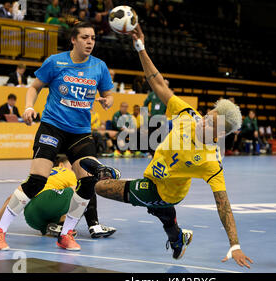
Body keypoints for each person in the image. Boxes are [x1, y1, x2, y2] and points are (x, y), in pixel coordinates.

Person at [78, 25, 253, 268]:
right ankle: (178, 238)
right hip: (156, 173)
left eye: (210, 122)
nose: (203, 120)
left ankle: (108, 173)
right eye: (207, 114)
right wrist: (140, 48)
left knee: (100, 187)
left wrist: (235, 245)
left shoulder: (211, 162)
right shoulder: (187, 114)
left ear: (221, 132)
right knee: (162, 216)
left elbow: (223, 205)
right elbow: (158, 82)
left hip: (163, 191)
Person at [0, 22, 115, 251]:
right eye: (85, 37)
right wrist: (28, 107)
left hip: (80, 132)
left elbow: (108, 93)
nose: (90, 42)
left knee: (87, 183)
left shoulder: (99, 67)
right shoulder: (55, 62)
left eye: (93, 38)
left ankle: (66, 233)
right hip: (52, 126)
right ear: (74, 40)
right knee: (37, 180)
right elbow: (34, 87)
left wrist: (108, 100)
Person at [0, 155, 117, 239]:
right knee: (86, 185)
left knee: (70, 201)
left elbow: (10, 198)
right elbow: (84, 195)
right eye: (72, 166)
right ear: (61, 165)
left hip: (31, 216)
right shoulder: (65, 172)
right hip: (47, 200)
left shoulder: (41, 175)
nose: (74, 170)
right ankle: (95, 226)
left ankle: (56, 227)